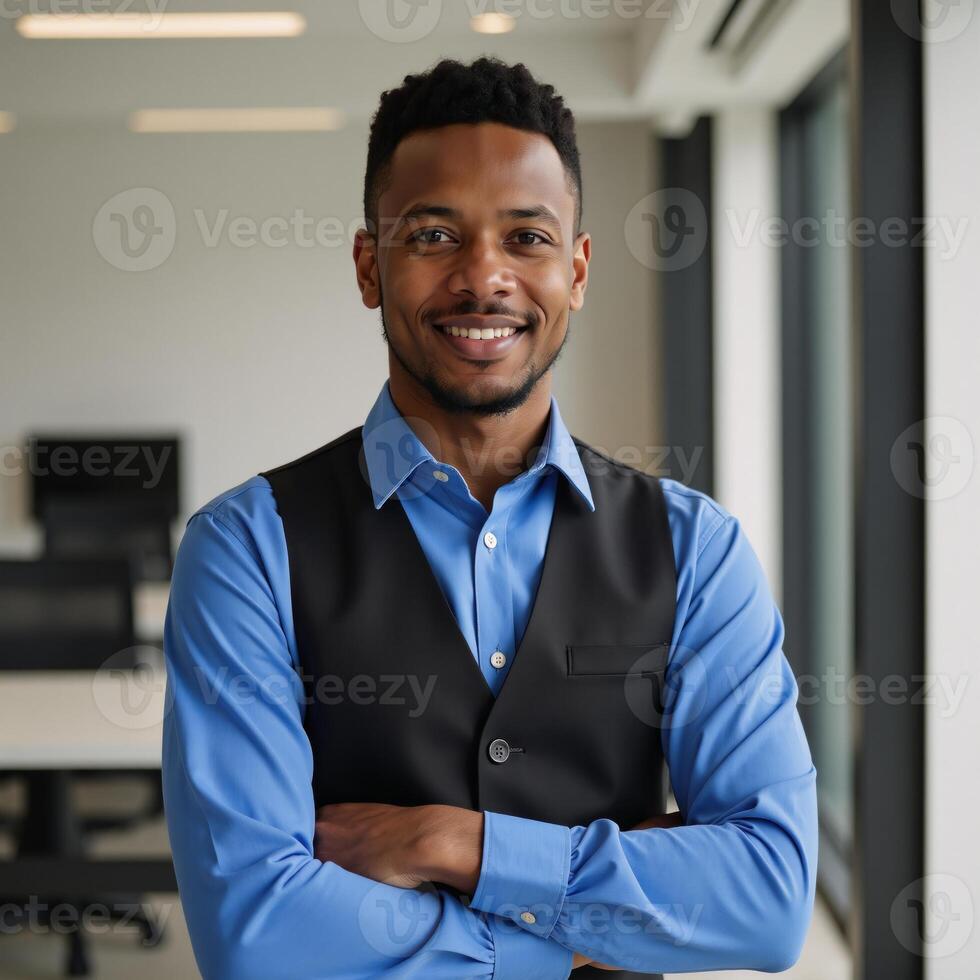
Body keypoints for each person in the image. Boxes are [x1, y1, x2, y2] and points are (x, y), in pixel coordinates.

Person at [162, 56, 817, 979]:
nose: (484, 278)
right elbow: (256, 933)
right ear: (368, 265)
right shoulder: (247, 549)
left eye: (527, 238)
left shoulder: (695, 547)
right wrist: (579, 938)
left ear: (577, 270)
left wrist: (450, 844)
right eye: (434, 235)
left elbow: (770, 895)